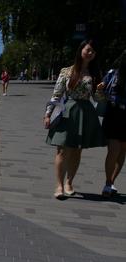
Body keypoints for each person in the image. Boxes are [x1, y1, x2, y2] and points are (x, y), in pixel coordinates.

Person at [44, 39, 107, 199]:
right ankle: (59, 185)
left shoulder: (95, 74)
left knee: (77, 150)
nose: (90, 53)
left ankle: (69, 183)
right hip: (67, 111)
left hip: (85, 112)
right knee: (62, 149)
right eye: (88, 50)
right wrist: (48, 113)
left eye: (93, 51)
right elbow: (56, 94)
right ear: (81, 50)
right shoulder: (66, 71)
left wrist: (100, 90)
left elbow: (98, 100)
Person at [101, 49, 126, 197]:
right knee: (114, 150)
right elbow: (102, 91)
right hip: (114, 114)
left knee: (123, 150)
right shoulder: (113, 74)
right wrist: (100, 88)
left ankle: (111, 182)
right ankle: (107, 183)